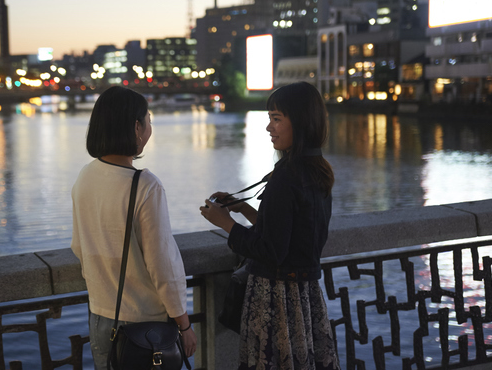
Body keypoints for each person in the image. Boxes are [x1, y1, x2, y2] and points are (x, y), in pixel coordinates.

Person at [200, 82, 340, 370]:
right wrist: (245, 209)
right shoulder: (316, 168)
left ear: (299, 122)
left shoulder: (286, 176)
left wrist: (225, 223)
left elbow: (271, 250)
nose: (269, 127)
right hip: (305, 293)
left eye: (276, 118)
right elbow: (290, 233)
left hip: (276, 297)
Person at [71, 86, 197, 369]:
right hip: (144, 326)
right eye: (149, 119)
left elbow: (79, 246)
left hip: (101, 316)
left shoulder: (86, 176)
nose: (150, 127)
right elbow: (162, 264)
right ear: (136, 127)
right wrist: (184, 323)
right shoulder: (145, 186)